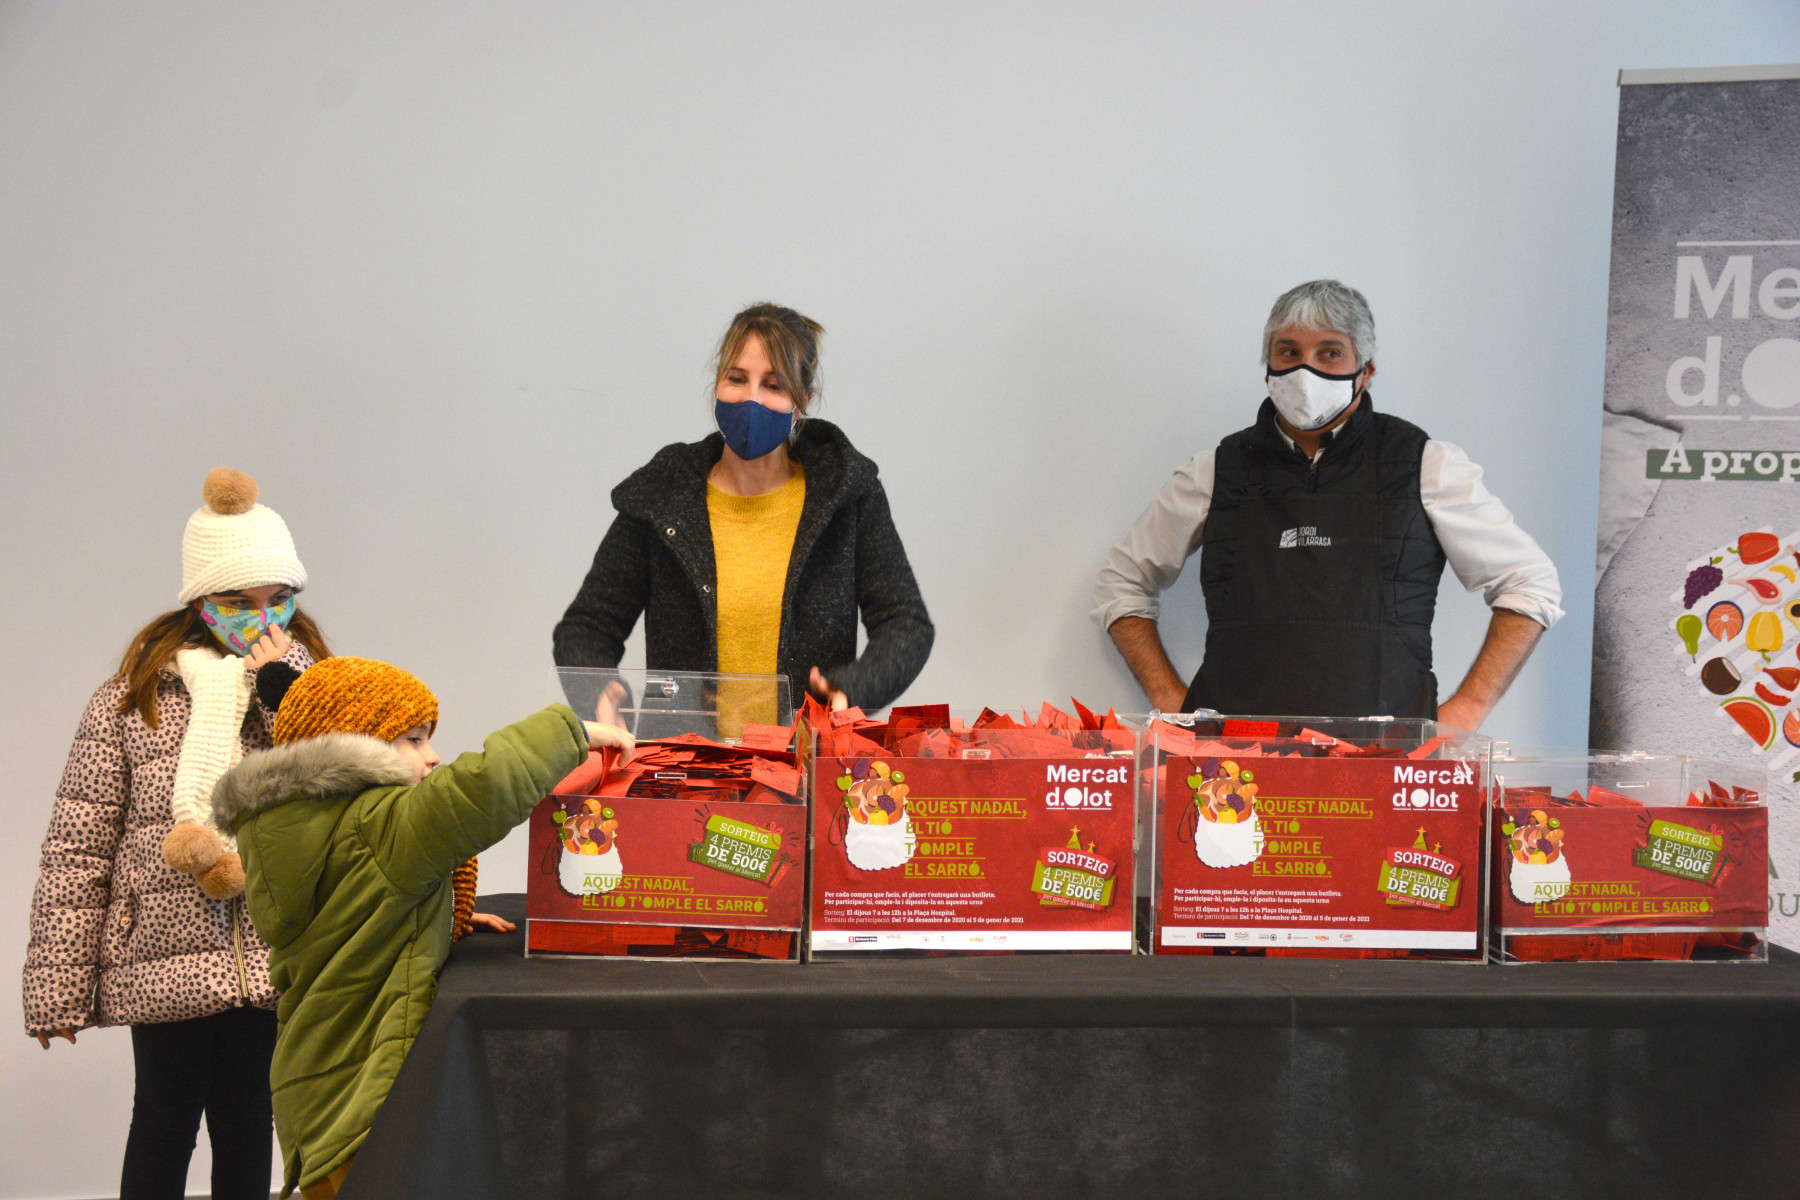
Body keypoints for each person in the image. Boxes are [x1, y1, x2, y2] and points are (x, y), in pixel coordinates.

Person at [212, 656, 635, 1199]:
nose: (432, 755)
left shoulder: (299, 826)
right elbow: (474, 793)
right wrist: (570, 732)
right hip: (366, 1104)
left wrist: (433, 910)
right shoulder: (377, 827)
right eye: (412, 739)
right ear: (352, 744)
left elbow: (360, 908)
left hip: (319, 1090)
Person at [23, 467, 324, 1200]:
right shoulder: (131, 701)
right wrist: (57, 984)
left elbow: (344, 797)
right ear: (199, 601)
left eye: (278, 598)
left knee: (250, 1122)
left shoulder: (315, 687)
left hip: (271, 946)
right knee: (163, 1122)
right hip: (159, 953)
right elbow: (78, 848)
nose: (262, 616)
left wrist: (285, 690)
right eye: (238, 601)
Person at [1093, 280, 1563, 729]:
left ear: (1366, 370)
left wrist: (1467, 712)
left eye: (1330, 353)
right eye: (1289, 352)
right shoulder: (1216, 470)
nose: (1305, 372)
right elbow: (1122, 582)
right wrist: (1172, 702)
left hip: (1386, 759)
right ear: (1268, 365)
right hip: (1235, 759)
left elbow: (1530, 584)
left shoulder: (1426, 464)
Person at [553, 303, 933, 723]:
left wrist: (853, 689)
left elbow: (906, 623)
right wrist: (599, 694)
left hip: (805, 757)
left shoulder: (847, 495)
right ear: (717, 384)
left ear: (802, 402)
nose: (751, 399)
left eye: (774, 385)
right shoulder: (663, 495)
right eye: (737, 379)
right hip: (684, 762)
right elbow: (586, 626)